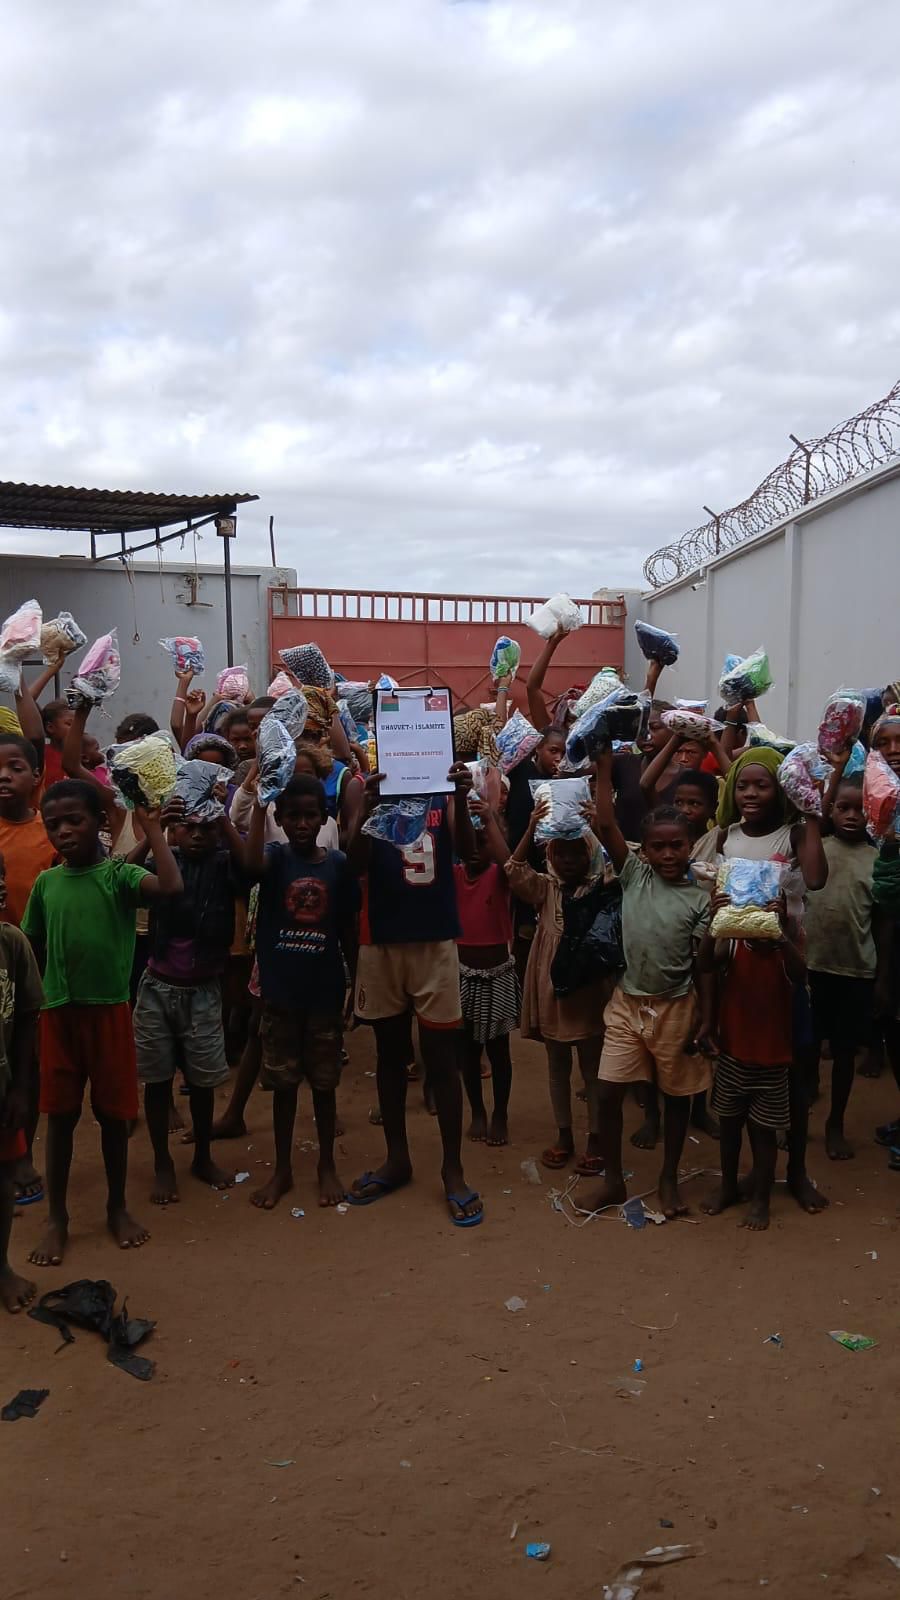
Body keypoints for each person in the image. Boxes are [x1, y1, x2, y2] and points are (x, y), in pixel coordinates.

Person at [20, 779, 183, 1267]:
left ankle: (116, 1207)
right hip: (58, 1015)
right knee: (60, 1118)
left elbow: (170, 887)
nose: (64, 832)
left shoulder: (119, 877)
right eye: (54, 825)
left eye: (75, 821)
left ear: (100, 823)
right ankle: (57, 1218)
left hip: (109, 1012)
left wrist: (153, 832)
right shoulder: (47, 884)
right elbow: (32, 946)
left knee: (114, 1117)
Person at [346, 764, 485, 1226]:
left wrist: (461, 797)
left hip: (434, 937)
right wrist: (365, 809)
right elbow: (354, 863)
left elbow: (469, 852)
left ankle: (452, 1168)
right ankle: (397, 1158)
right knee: (389, 1055)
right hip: (381, 938)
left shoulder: (444, 790)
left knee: (442, 1059)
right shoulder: (370, 787)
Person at [582, 752, 715, 1219]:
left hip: (677, 1007)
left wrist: (706, 1016)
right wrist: (603, 767)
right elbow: (606, 824)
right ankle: (613, 1180)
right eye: (658, 847)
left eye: (677, 846)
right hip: (628, 1003)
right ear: (645, 852)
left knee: (677, 1097)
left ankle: (668, 1178)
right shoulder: (635, 875)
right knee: (607, 1092)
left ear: (691, 845)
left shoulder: (701, 898)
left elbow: (705, 967)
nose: (668, 855)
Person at [712, 743, 831, 1214]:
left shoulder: (793, 834)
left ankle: (796, 1172)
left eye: (762, 785)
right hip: (739, 972)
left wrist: (813, 811)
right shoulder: (726, 837)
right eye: (743, 785)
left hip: (786, 970)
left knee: (794, 1079)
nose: (751, 794)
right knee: (742, 1075)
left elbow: (815, 880)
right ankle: (751, 1175)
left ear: (780, 790)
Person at [243, 775, 359, 1210]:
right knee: (284, 1085)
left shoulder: (338, 865)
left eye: (311, 815)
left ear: (325, 817)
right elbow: (249, 867)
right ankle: (283, 1169)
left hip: (324, 992)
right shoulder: (273, 859)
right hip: (281, 994)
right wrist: (258, 807)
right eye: (293, 816)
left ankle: (326, 1164)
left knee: (324, 1084)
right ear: (281, 817)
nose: (302, 824)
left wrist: (356, 982)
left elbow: (348, 929)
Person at [132, 798, 246, 1204]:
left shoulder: (225, 865)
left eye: (206, 827)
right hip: (158, 987)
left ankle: (202, 1156)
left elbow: (252, 868)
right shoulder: (165, 861)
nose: (197, 835)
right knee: (158, 1079)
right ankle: (162, 1162)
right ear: (174, 830)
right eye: (188, 826)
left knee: (202, 1081)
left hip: (204, 990)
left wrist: (225, 822)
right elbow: (121, 875)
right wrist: (152, 833)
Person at [499, 792, 614, 1176]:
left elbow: (621, 867)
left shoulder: (598, 887)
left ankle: (596, 1137)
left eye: (577, 853)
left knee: (593, 1067)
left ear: (589, 856)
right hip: (552, 992)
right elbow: (513, 869)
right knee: (557, 1065)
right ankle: (564, 1135)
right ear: (549, 855)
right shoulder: (545, 889)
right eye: (560, 853)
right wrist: (532, 825)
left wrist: (598, 829)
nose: (568, 860)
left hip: (589, 991)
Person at [699, 891, 806, 1231]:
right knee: (730, 1128)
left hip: (772, 1062)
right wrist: (714, 924)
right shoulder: (733, 945)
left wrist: (781, 934)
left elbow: (801, 974)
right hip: (733, 1056)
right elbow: (704, 964)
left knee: (763, 1135)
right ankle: (729, 1185)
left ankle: (761, 1198)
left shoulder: (784, 952)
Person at [804, 773, 881, 1161]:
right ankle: (797, 1119)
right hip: (811, 967)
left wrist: (881, 978)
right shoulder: (815, 848)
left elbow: (880, 925)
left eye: (860, 809)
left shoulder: (876, 860)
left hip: (855, 971)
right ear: (829, 810)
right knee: (805, 1049)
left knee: (845, 1052)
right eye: (843, 808)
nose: (852, 816)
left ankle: (835, 1122)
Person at [0, 733, 56, 1204]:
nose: (3, 776)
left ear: (36, 776)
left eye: (15, 767)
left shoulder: (49, 832)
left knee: (26, 1062)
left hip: (33, 965)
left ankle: (21, 1155)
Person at [454, 797, 519, 1147]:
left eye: (484, 843)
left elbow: (510, 862)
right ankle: (477, 1110)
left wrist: (490, 822)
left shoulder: (500, 875)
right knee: (467, 1051)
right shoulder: (453, 875)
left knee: (498, 1050)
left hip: (496, 975)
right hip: (461, 975)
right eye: (471, 843)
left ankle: (501, 1114)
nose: (476, 851)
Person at [0, 856, 43, 1313]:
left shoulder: (12, 943)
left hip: (4, 1088)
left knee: (3, 1177)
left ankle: (1, 1267)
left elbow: (29, 1016)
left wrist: (20, 1088)